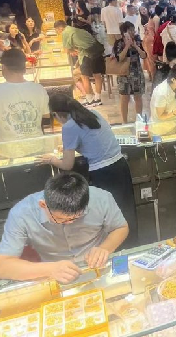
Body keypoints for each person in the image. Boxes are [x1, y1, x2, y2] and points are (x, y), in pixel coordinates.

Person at [35, 94, 138, 248]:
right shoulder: (92, 114)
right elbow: (92, 139)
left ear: (56, 114)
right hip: (121, 165)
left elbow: (67, 164)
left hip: (104, 174)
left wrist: (51, 159)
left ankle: (114, 251)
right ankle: (132, 246)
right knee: (125, 209)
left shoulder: (69, 127)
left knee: (109, 215)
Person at [0, 172, 128, 283]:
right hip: (54, 275)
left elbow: (121, 227)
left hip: (97, 267)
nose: (69, 223)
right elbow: (2, 267)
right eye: (61, 219)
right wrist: (50, 269)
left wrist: (104, 248)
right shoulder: (21, 213)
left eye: (76, 218)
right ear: (43, 205)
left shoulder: (101, 198)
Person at [0, 48, 49, 157]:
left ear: (3, 67)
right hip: (37, 148)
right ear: (24, 68)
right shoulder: (39, 88)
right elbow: (46, 115)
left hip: (9, 152)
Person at [54, 20, 105, 106]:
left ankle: (90, 99)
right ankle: (98, 98)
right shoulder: (76, 29)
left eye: (57, 30)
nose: (57, 32)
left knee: (84, 76)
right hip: (97, 50)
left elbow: (66, 50)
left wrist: (72, 50)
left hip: (87, 54)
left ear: (60, 28)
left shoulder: (65, 32)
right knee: (97, 75)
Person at [112, 21, 147, 123]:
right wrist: (127, 46)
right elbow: (119, 58)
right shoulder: (118, 43)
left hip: (137, 73)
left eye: (133, 30)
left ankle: (139, 120)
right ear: (124, 32)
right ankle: (124, 121)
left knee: (138, 97)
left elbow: (144, 56)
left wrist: (135, 46)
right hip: (124, 74)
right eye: (130, 30)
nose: (132, 32)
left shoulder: (137, 40)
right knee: (124, 98)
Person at [151, 63, 176, 134]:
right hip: (160, 129)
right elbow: (160, 116)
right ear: (173, 79)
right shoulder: (162, 92)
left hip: (174, 125)